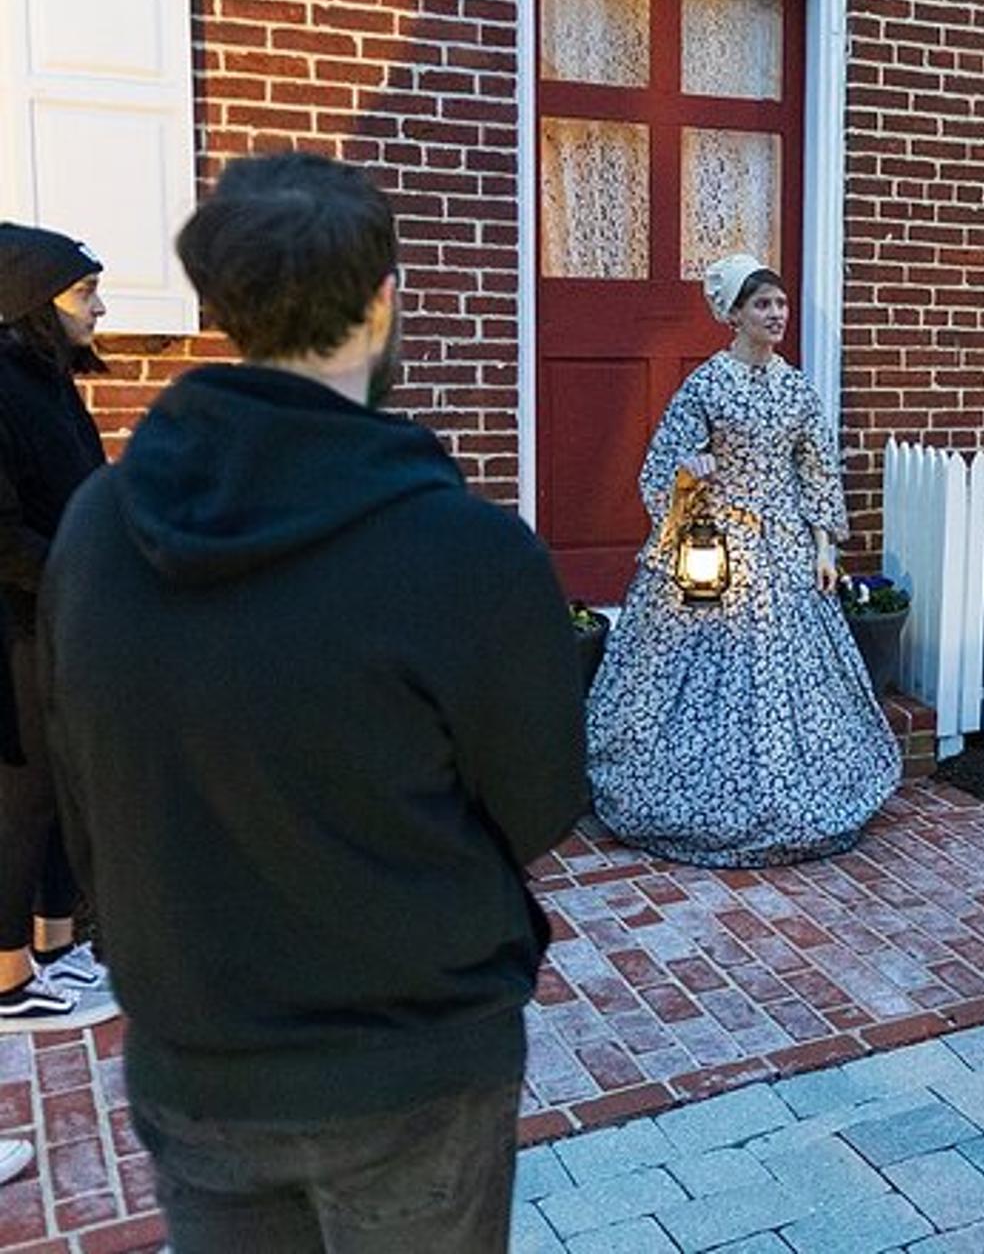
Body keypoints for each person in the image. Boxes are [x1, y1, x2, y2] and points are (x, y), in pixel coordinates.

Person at [41, 152, 588, 1252]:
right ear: (383, 301)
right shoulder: (471, 554)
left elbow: (85, 779)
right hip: (409, 1063)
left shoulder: (97, 525)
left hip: (197, 1055)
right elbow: (537, 804)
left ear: (223, 306)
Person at [587, 253, 898, 867]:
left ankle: (796, 792)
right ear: (733, 314)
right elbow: (663, 466)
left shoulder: (796, 387)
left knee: (795, 672)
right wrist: (690, 469)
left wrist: (824, 546)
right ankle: (694, 793)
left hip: (785, 547)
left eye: (780, 303)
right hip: (717, 545)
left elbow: (816, 468)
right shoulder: (706, 385)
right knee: (699, 667)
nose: (776, 314)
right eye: (762, 304)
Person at [0, 224, 114, 1032]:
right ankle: (7, 982)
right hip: (17, 628)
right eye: (84, 292)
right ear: (31, 301)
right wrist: (88, 575)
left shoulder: (47, 379)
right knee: (19, 801)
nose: (99, 308)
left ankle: (55, 944)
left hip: (64, 618)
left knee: (59, 789)